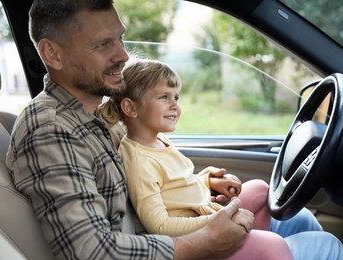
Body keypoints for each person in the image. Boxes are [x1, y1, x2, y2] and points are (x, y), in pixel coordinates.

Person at [5, 0, 343, 259]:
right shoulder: (51, 130)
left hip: (165, 233)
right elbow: (92, 252)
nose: (123, 55)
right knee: (324, 246)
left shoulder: (96, 115)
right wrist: (204, 240)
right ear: (52, 53)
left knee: (296, 219)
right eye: (102, 45)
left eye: (120, 39)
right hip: (166, 246)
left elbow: (142, 185)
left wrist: (200, 184)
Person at [98, 58, 294, 259]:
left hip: (205, 212)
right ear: (131, 108)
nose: (174, 105)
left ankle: (251, 246)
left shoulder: (159, 139)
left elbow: (175, 186)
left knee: (260, 190)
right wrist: (215, 220)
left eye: (176, 97)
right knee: (274, 244)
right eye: (164, 97)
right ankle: (263, 249)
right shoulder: (139, 161)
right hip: (195, 237)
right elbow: (159, 225)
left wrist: (207, 181)